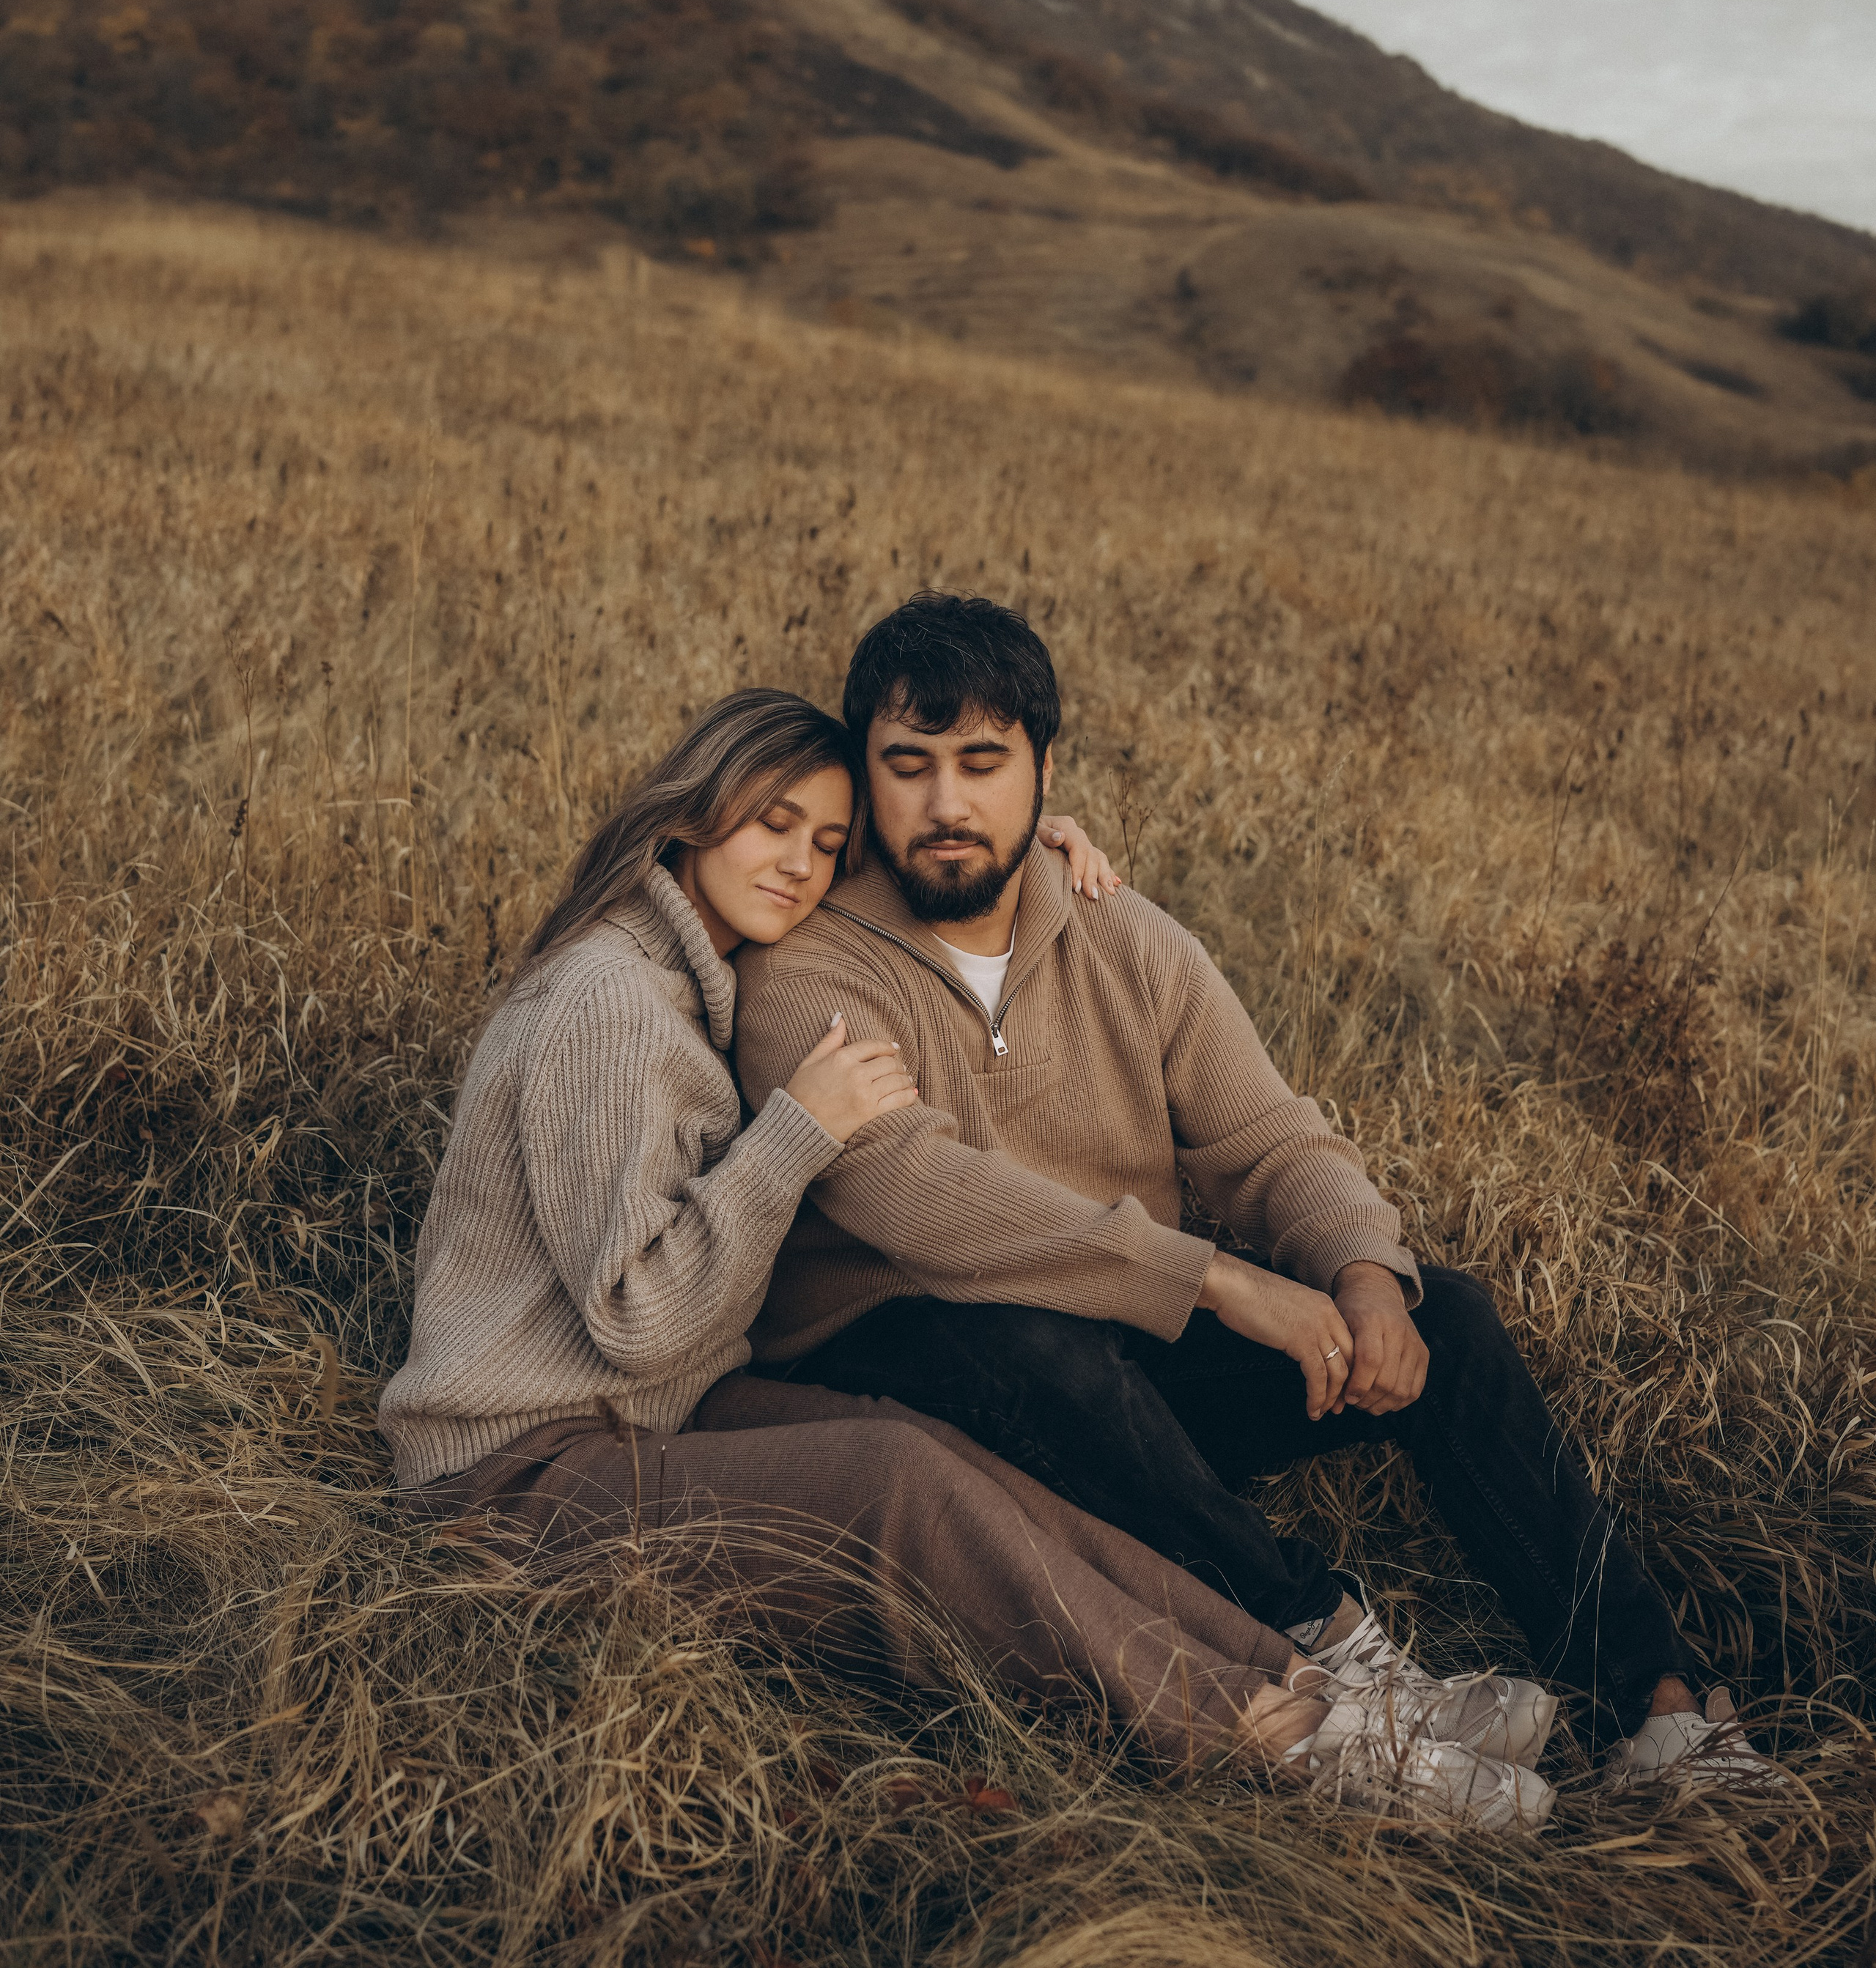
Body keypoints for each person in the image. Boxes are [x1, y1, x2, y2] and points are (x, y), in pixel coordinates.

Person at [379, 688, 1559, 1830]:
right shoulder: (609, 1000)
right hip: (513, 1478)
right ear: (692, 813)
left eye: (829, 842)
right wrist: (797, 1133)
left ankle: (1326, 1689)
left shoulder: (694, 980)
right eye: (772, 824)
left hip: (652, 1416)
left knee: (966, 1464)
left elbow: (928, 859)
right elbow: (639, 1316)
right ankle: (1272, 1737)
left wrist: (1029, 851)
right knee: (894, 1482)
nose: (800, 864)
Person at [731, 600, 1781, 1796]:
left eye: (982, 762)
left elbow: (1269, 1135)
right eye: (908, 764)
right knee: (1026, 1341)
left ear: (1045, 772)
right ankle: (1324, 1642)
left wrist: (1361, 1274)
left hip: (1122, 1360)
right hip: (919, 1372)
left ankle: (1657, 1708)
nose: (946, 803)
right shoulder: (804, 965)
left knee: (1446, 1318)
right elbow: (921, 1193)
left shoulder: (1123, 935)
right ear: (864, 773)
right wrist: (1220, 1283)